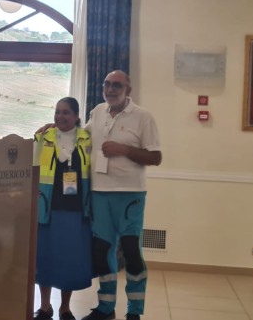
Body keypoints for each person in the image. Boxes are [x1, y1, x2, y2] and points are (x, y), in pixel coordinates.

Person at [81, 70, 162, 320]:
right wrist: (57, 128)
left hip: (130, 194)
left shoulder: (143, 116)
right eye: (106, 84)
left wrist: (124, 149)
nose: (110, 89)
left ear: (128, 90)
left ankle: (134, 311)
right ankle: (105, 308)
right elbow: (82, 138)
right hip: (99, 192)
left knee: (131, 252)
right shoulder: (97, 111)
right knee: (102, 251)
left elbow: (155, 157)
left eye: (116, 85)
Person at [33, 97, 93, 320]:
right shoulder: (42, 137)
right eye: (57, 111)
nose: (60, 116)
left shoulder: (88, 139)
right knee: (45, 258)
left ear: (77, 116)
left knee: (69, 259)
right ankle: (45, 307)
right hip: (47, 208)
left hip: (76, 210)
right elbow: (30, 167)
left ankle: (65, 308)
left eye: (66, 112)